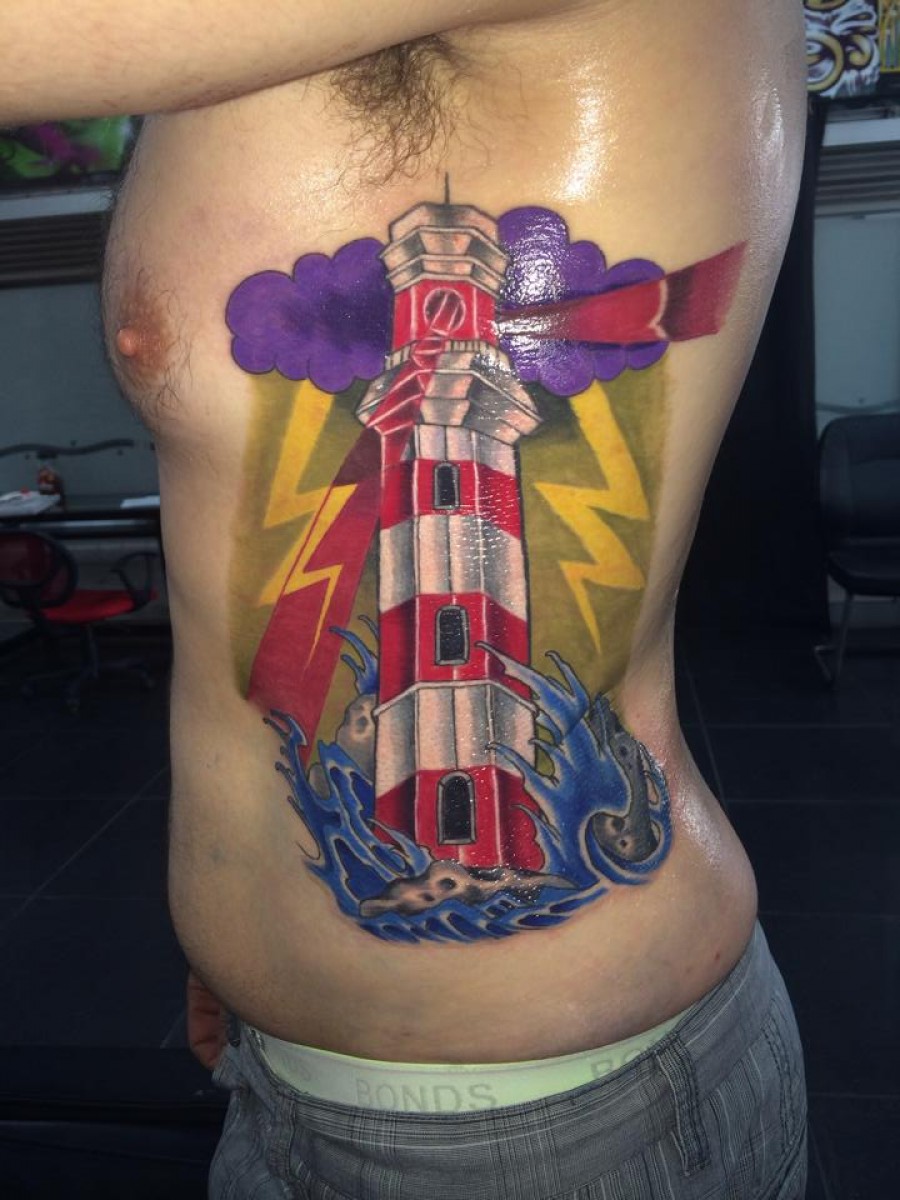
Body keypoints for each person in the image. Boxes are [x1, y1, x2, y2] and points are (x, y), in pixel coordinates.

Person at [2, 2, 809, 1195]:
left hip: (551, 1125)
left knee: (465, 698)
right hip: (289, 1073)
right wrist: (255, 914)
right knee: (426, 703)